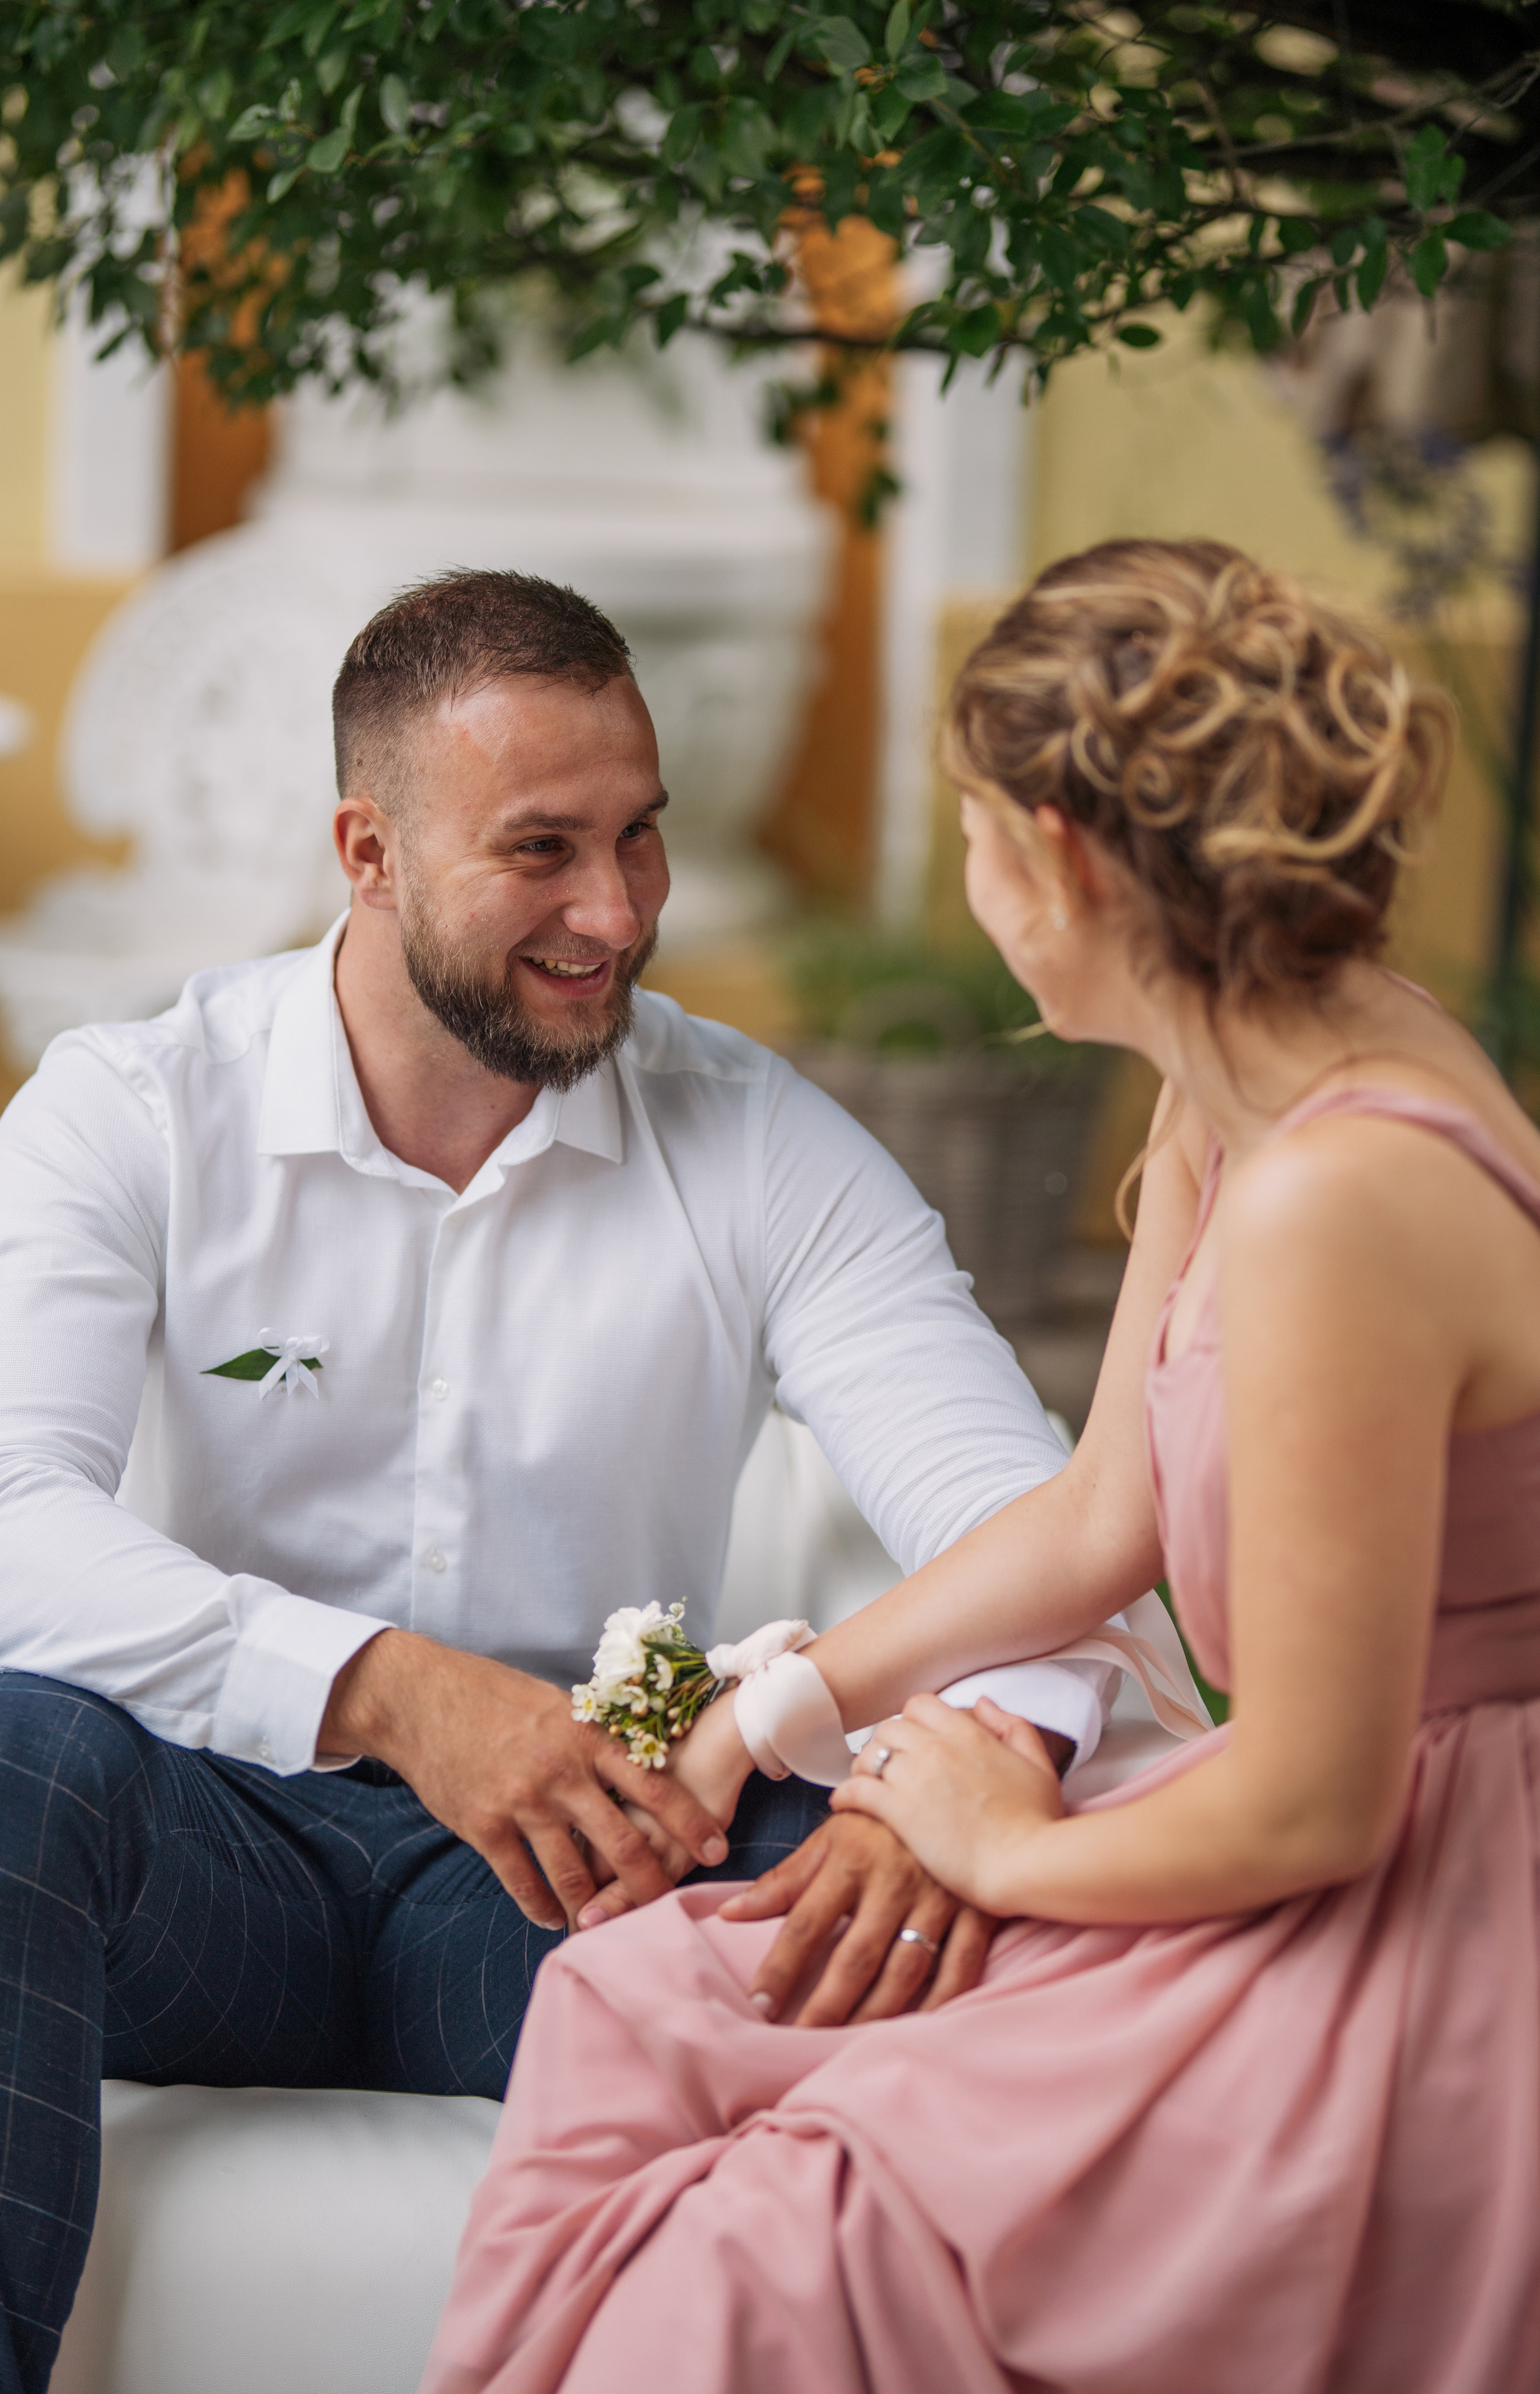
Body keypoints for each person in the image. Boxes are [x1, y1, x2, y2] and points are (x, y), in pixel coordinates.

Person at [0, 569, 1157, 2394]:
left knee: (855, 1883)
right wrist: (392, 1691)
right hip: (190, 1862)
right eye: (542, 851)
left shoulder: (763, 1142)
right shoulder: (127, 1108)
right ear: (368, 850)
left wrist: (960, 1771)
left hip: (576, 1881)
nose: (618, 911)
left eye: (643, 839)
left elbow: (1035, 1539)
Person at [422, 537, 1540, 2394]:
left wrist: (1002, 1840)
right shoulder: (1230, 1084)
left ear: (1062, 859)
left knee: (787, 2245)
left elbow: (1326, 1804)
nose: (970, 880)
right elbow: (1103, 1520)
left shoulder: (1346, 1194)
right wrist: (778, 1705)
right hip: (1291, 1835)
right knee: (640, 2000)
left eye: (967, 832)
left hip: (1418, 1910)